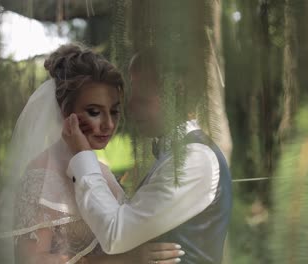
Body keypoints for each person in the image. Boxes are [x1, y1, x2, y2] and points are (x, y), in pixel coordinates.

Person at [0, 44, 184, 264]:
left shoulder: (100, 172)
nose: (108, 124)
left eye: (114, 111)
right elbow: (30, 261)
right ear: (65, 112)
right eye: (94, 112)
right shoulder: (41, 176)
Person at [62, 50, 232, 263]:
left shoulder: (196, 159)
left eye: (141, 92)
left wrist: (83, 155)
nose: (131, 106)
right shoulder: (174, 153)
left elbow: (116, 234)